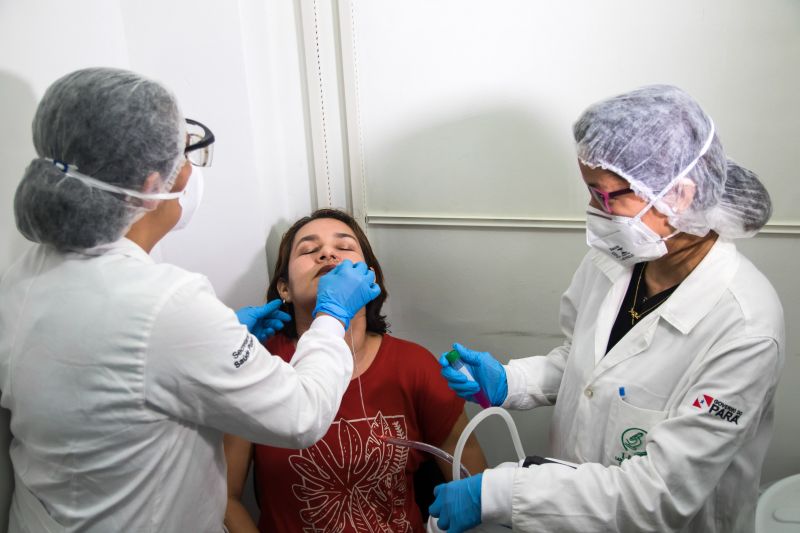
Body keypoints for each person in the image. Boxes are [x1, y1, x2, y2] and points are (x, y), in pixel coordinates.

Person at [0, 68, 380, 532]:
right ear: (153, 183)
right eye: (184, 153)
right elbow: (302, 415)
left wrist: (222, 338)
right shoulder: (166, 305)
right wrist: (332, 316)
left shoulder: (25, 276)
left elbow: (119, 375)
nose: (190, 169)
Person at [430, 85, 785, 532]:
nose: (597, 212)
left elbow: (658, 497)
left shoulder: (745, 326)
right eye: (592, 194)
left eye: (609, 195)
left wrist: (501, 493)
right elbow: (587, 365)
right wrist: (510, 381)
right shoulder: (619, 260)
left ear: (678, 194)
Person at [223, 208, 487, 533]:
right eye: (308, 250)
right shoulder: (259, 365)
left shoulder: (415, 367)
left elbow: (474, 483)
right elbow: (225, 498)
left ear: (370, 277)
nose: (327, 253)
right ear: (284, 289)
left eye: (344, 247)